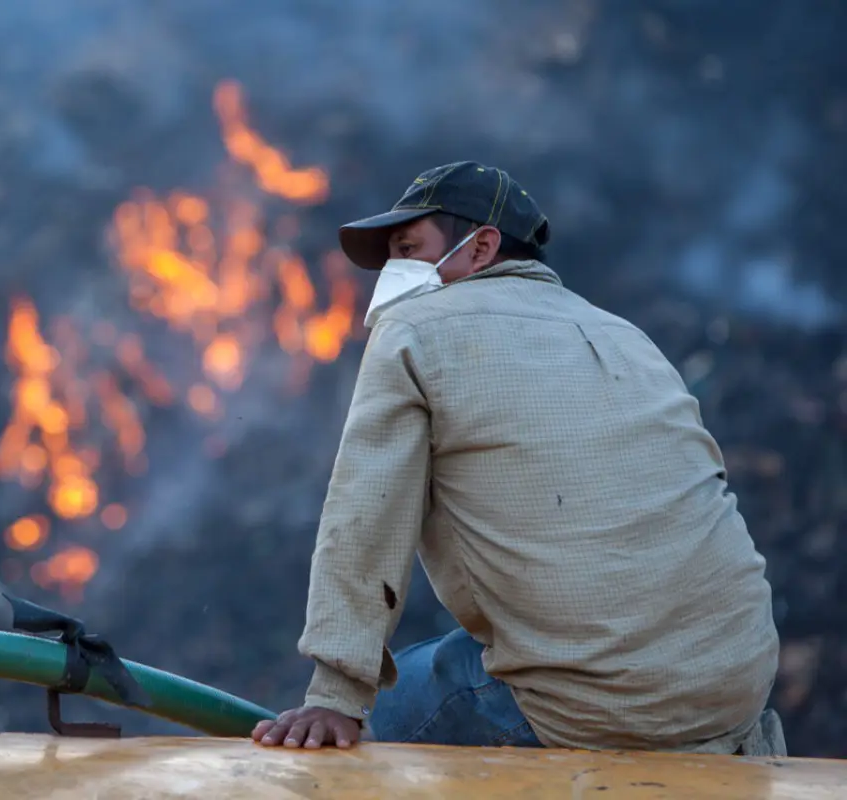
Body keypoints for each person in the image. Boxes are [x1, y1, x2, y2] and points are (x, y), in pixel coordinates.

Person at [252, 161, 783, 755]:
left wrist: (336, 694)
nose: (396, 272)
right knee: (452, 658)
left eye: (409, 248)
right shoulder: (624, 335)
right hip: (737, 688)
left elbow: (366, 515)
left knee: (392, 714)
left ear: (480, 247)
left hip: (597, 709)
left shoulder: (413, 328)